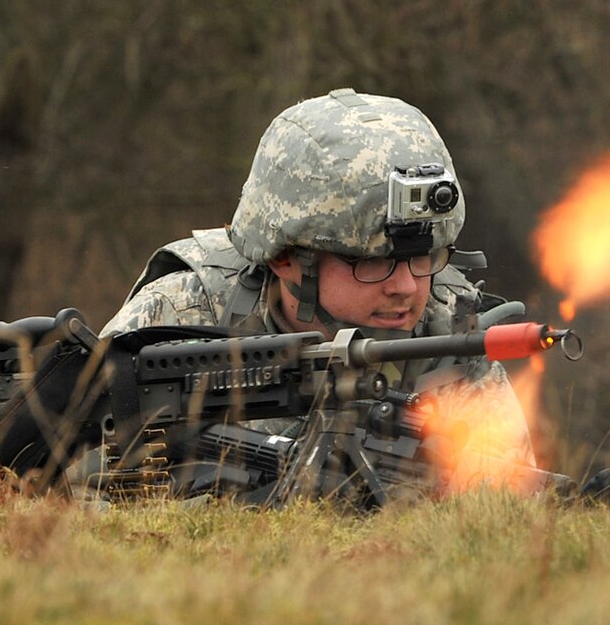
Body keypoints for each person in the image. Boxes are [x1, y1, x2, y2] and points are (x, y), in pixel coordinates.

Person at [104, 85, 531, 426]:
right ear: (286, 259)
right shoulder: (181, 316)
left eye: (424, 259)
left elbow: (503, 507)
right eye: (372, 263)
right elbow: (71, 484)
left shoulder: (450, 327)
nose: (405, 287)